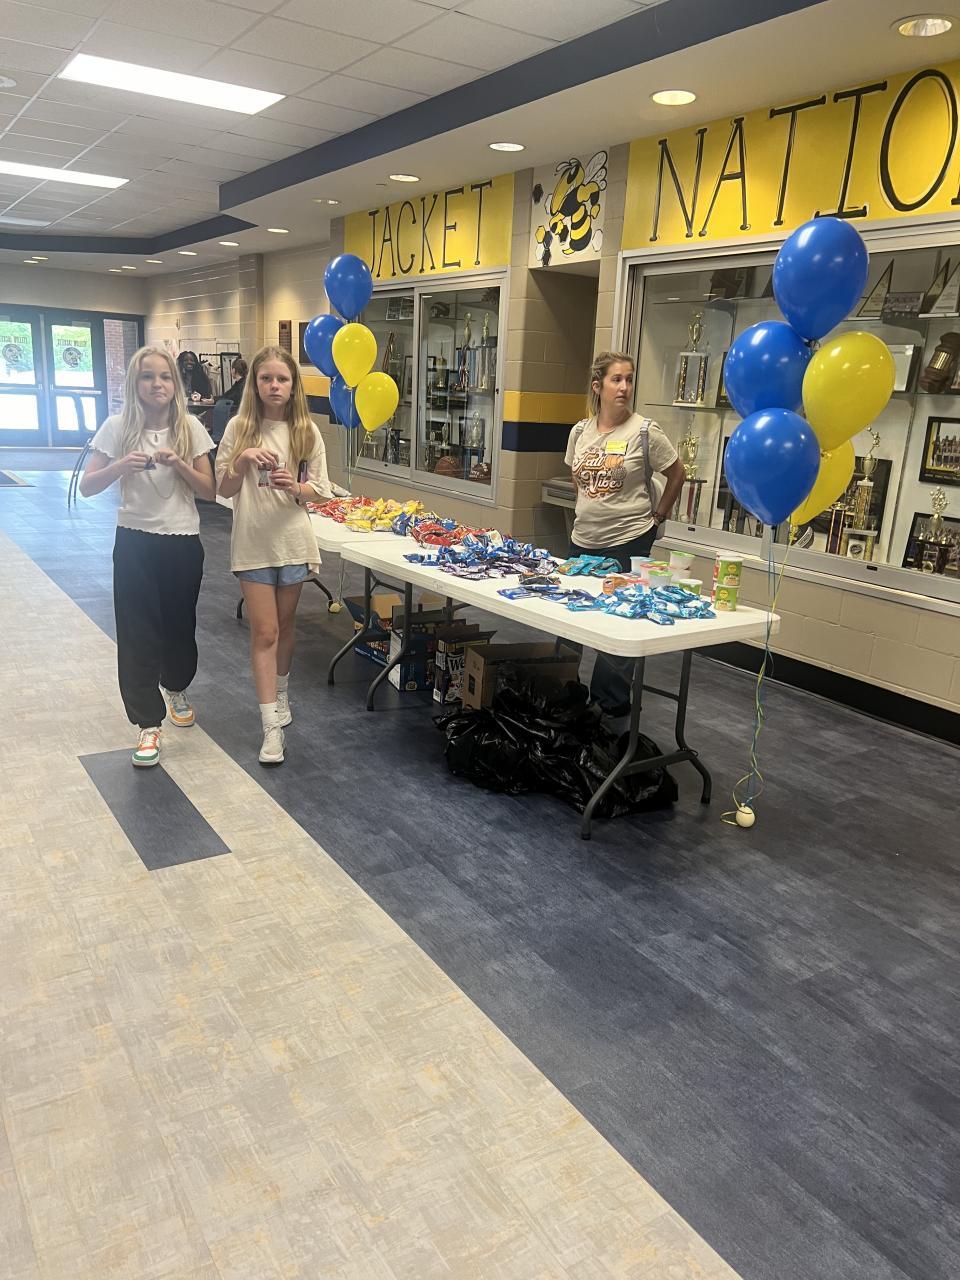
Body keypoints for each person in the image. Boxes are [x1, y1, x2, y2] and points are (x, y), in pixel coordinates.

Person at [79, 346, 216, 766]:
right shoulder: (117, 426)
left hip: (182, 540)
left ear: (176, 384)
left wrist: (180, 465)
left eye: (165, 376)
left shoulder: (190, 427)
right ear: (134, 383)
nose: (157, 384)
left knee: (179, 626)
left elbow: (210, 490)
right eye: (147, 376)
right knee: (136, 631)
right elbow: (88, 486)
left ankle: (175, 685)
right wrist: (120, 467)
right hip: (134, 540)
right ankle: (147, 724)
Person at [216, 345, 333, 765]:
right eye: (266, 378)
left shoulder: (306, 431)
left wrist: (295, 486)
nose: (274, 386)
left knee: (284, 626)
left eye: (282, 379)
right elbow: (223, 488)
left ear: (294, 385)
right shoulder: (239, 428)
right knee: (264, 632)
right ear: (255, 383)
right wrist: (243, 458)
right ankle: (270, 728)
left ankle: (282, 694)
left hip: (293, 543)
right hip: (253, 544)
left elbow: (321, 490)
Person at [565, 350, 685, 715]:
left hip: (629, 539)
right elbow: (576, 476)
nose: (624, 387)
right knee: (570, 616)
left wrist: (658, 516)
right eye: (616, 379)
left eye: (629, 380)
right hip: (583, 539)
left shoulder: (644, 431)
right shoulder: (580, 431)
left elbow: (677, 473)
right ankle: (566, 687)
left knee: (618, 618)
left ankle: (611, 700)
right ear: (597, 386)